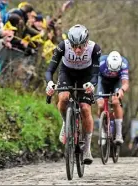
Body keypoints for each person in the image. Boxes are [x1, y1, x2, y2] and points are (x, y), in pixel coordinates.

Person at [45, 24, 102, 165]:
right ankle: (66, 122)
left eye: (81, 46)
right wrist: (50, 83)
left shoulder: (94, 48)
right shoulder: (62, 46)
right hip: (67, 73)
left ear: (86, 42)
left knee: (85, 108)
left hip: (86, 75)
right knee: (63, 97)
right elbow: (50, 70)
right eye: (74, 46)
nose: (77, 50)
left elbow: (95, 74)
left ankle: (87, 149)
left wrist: (91, 85)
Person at [96, 51, 129, 145]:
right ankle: (102, 130)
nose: (112, 72)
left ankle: (119, 134)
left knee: (115, 101)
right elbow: (94, 78)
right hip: (103, 81)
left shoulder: (124, 64)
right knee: (101, 104)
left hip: (116, 82)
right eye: (111, 70)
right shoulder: (100, 62)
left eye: (115, 71)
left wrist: (122, 90)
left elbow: (125, 83)